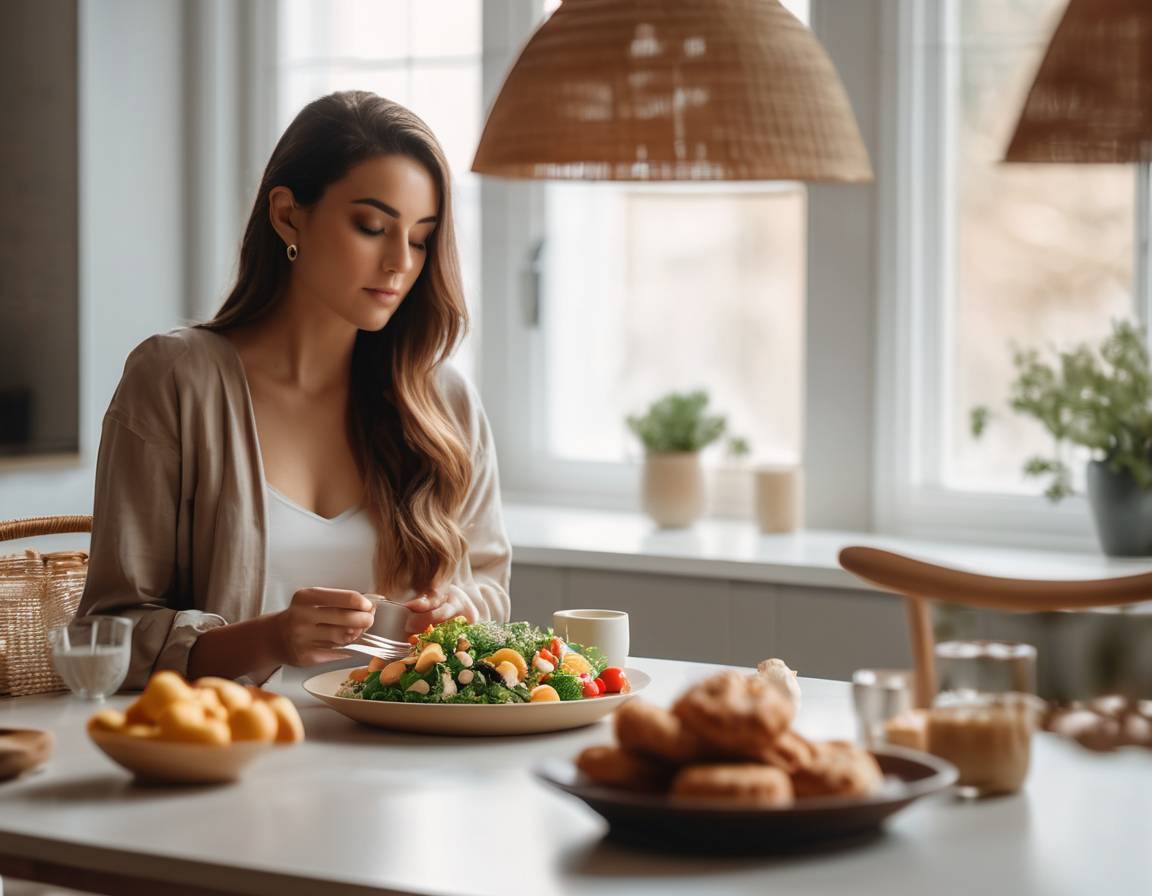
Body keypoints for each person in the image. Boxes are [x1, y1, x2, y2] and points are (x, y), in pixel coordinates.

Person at [77, 91, 511, 689]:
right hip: (231, 759)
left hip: (415, 766)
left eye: (420, 238)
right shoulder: (175, 379)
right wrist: (268, 638)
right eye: (372, 226)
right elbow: (106, 634)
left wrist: (462, 610)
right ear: (288, 215)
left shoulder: (445, 403)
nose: (399, 263)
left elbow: (489, 585)